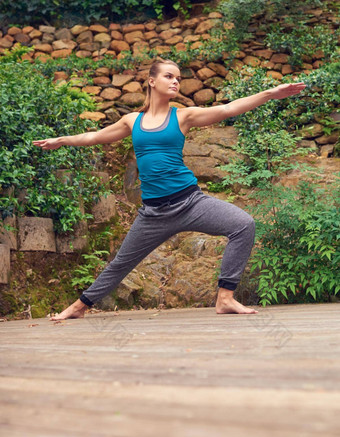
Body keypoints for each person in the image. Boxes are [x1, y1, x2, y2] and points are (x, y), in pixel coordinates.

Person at [33, 59, 306, 320]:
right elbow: (94, 136)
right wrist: (62, 140)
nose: (175, 81)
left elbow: (228, 109)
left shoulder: (184, 116)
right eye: (169, 76)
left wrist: (271, 93)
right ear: (151, 81)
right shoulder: (132, 121)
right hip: (153, 213)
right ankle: (80, 306)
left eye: (178, 78)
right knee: (121, 263)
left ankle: (225, 298)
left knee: (243, 225)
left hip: (190, 202)